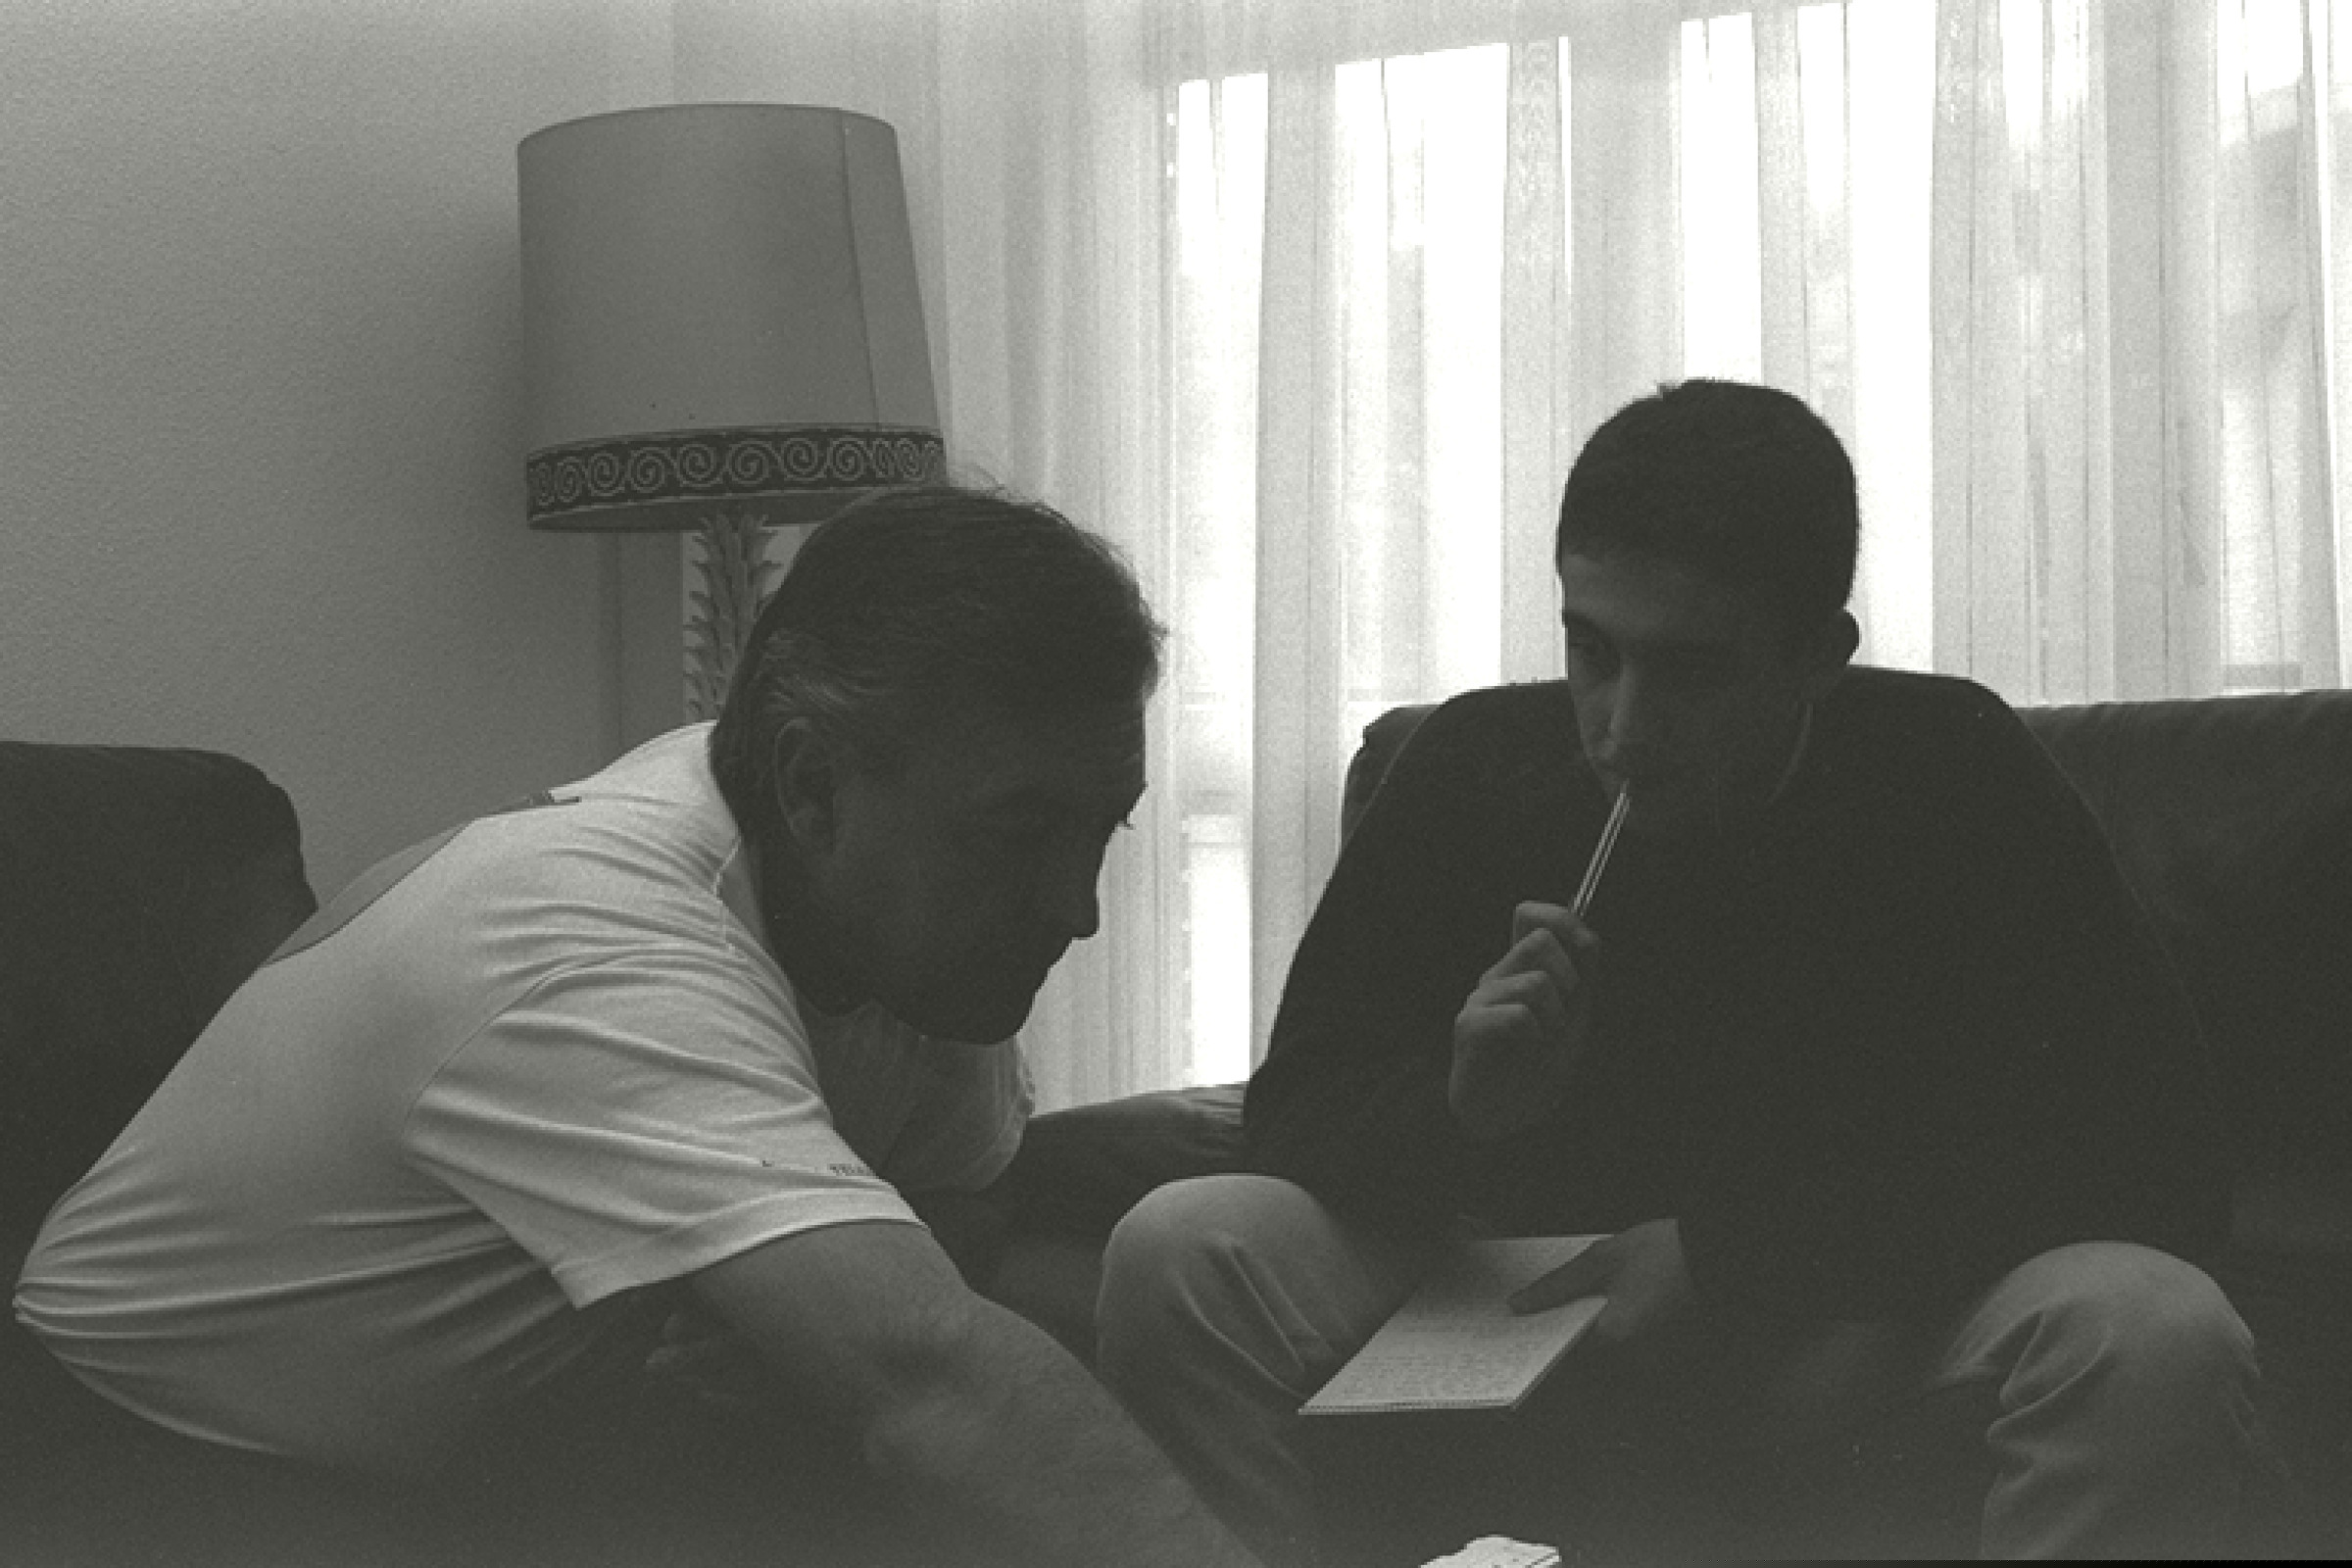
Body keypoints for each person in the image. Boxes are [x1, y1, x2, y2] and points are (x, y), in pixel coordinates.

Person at [1097, 380, 2269, 1564]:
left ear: (1819, 656)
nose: (1623, 727)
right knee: (1181, 1246)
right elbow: (1294, 1112)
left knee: (2154, 1327)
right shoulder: (1470, 764)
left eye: (1692, 670)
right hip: (1522, 1292)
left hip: (1855, 1301)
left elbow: (2162, 1154)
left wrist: (1739, 1261)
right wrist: (1462, 1109)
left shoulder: (1955, 768)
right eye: (1592, 651)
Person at [15, 485, 1260, 1568]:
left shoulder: (913, 914)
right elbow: (929, 1377)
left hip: (497, 1444)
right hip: (133, 1455)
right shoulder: (597, 937)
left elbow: (960, 1212)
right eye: (1021, 831)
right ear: (809, 784)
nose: (1076, 908)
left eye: (1103, 826)